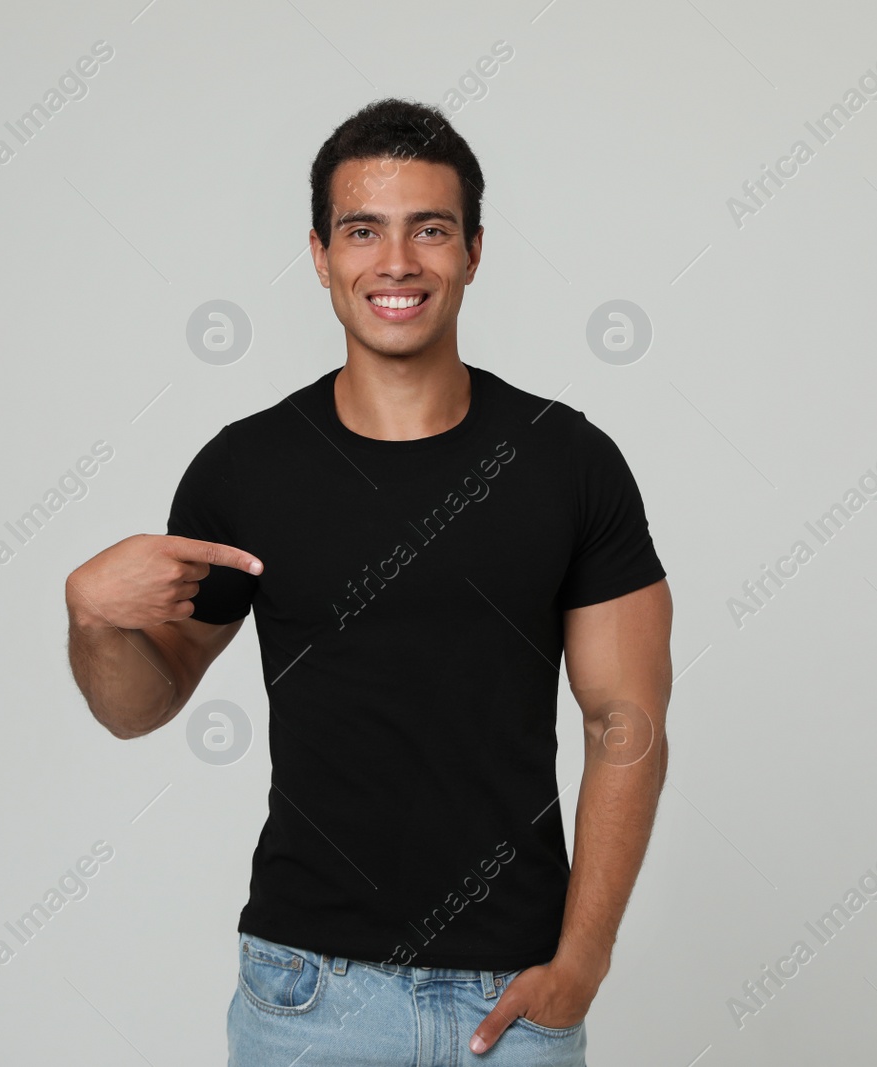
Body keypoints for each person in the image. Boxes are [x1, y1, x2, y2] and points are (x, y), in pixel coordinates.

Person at [65, 98, 672, 1066]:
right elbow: (139, 705)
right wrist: (91, 616)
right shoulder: (245, 468)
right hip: (310, 992)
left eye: (428, 228)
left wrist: (581, 961)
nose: (396, 261)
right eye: (363, 230)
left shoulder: (566, 460)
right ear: (319, 253)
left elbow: (625, 721)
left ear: (473, 250)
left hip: (512, 994)